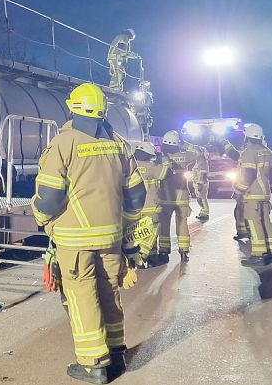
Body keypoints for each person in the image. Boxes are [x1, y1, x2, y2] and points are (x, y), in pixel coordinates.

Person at [32, 83, 144, 384]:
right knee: (110, 291)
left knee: (82, 296)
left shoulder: (64, 143)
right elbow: (136, 193)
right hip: (112, 239)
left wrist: (40, 218)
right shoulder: (118, 143)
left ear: (73, 107)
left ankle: (94, 364)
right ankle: (117, 353)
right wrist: (127, 227)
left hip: (75, 240)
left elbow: (49, 198)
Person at [234, 123, 272, 267]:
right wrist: (271, 187)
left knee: (254, 222)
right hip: (265, 193)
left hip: (253, 193)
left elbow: (248, 173)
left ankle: (259, 255)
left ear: (248, 136)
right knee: (266, 221)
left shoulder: (249, 152)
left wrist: (240, 189)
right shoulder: (267, 151)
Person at [155, 130, 202, 264]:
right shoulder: (185, 156)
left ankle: (163, 252)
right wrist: (185, 143)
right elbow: (198, 153)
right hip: (182, 197)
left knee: (164, 225)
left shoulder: (159, 157)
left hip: (165, 197)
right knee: (182, 223)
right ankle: (184, 251)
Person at [128, 140, 172, 268]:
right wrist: (163, 159)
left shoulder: (130, 166)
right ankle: (142, 256)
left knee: (139, 232)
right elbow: (166, 173)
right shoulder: (151, 167)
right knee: (152, 231)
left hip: (135, 208)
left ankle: (152, 256)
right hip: (151, 207)